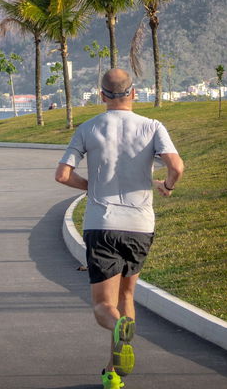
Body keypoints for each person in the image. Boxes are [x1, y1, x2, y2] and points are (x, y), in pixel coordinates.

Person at [55, 68, 184, 389]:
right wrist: (166, 185)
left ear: (101, 96)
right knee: (127, 295)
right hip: (140, 226)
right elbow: (177, 166)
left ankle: (118, 329)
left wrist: (91, 186)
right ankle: (113, 374)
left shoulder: (88, 128)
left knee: (104, 306)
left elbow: (62, 175)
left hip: (102, 225)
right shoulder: (153, 127)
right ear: (134, 93)